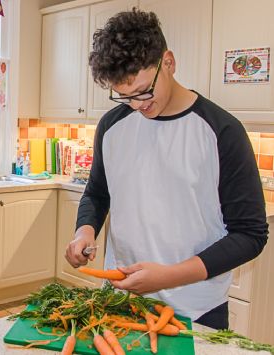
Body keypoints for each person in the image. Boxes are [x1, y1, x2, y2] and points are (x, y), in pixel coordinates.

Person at [65, 9, 268, 330]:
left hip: (196, 309)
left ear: (168, 62)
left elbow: (250, 234)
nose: (137, 104)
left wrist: (169, 276)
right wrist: (84, 231)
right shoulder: (111, 126)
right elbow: (97, 193)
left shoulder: (222, 131)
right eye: (124, 96)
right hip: (120, 300)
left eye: (144, 90)